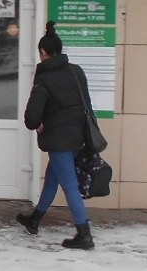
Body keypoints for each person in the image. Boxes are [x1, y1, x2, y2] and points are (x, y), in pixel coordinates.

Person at [16, 22, 94, 250]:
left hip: (59, 141)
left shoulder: (45, 78)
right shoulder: (76, 71)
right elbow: (86, 104)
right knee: (52, 179)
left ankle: (84, 235)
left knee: (69, 186)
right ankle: (34, 220)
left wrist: (39, 125)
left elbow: (32, 117)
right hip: (78, 137)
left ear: (43, 52)